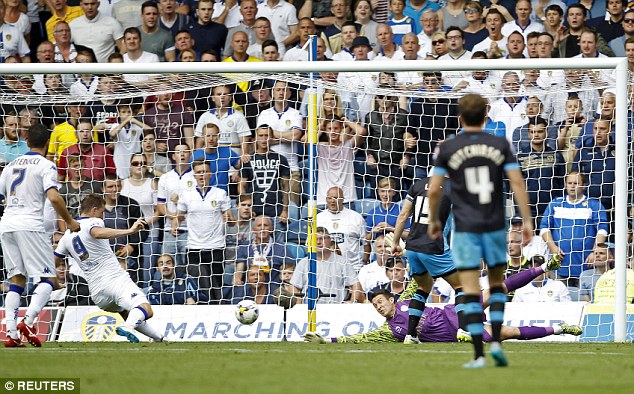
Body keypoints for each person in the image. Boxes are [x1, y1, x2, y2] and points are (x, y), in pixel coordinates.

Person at [428, 93, 533, 368]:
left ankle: (478, 354)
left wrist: (434, 221)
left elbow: (435, 188)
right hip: (494, 224)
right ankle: (496, 340)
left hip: (465, 227)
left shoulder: (449, 147)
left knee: (471, 290)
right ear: (485, 116)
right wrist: (528, 220)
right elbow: (517, 183)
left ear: (460, 117)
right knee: (497, 284)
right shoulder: (499, 143)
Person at [304, 265, 581, 344]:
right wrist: (329, 341)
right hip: (459, 334)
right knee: (509, 333)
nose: (378, 307)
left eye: (379, 302)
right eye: (374, 306)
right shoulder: (389, 331)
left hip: (455, 312)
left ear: (390, 298)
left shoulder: (409, 297)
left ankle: (543, 267)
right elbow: (360, 338)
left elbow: (420, 271)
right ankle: (559, 329)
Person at [1, 124, 80, 347]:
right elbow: (54, 198)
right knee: (50, 279)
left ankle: (11, 333)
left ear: (26, 142)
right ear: (48, 143)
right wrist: (70, 221)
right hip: (30, 225)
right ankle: (27, 320)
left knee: (16, 281)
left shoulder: (11, 165)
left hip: (7, 224)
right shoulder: (47, 165)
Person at [54, 194, 165, 343]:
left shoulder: (66, 236)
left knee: (127, 312)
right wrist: (129, 231)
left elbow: (55, 259)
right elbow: (96, 233)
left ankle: (159, 338)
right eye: (102, 211)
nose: (103, 216)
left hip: (98, 294)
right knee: (145, 308)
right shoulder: (94, 222)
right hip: (114, 280)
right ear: (94, 210)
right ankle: (127, 328)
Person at [391, 174, 465, 344]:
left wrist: (395, 242)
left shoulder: (417, 184)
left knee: (424, 287)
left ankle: (410, 335)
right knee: (461, 285)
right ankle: (464, 329)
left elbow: (403, 215)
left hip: (412, 247)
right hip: (433, 247)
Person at [172, 160, 231, 304]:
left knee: (216, 285)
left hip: (216, 246)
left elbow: (231, 219)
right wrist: (175, 224)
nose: (201, 175)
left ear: (210, 174)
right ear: (194, 176)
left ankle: (217, 312)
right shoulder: (186, 195)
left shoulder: (220, 193)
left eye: (204, 171)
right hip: (194, 247)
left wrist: (229, 218)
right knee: (197, 285)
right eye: (198, 172)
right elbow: (179, 216)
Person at [540, 171, 608, 288]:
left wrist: (594, 251)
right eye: (569, 183)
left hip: (586, 267)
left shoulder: (594, 205)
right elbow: (544, 228)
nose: (572, 186)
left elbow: (602, 229)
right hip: (560, 265)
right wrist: (553, 247)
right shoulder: (555, 203)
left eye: (576, 183)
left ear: (583, 185)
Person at [291, 227, 364, 304]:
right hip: (310, 310)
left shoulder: (342, 261)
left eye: (322, 238)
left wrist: (352, 302)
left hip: (336, 310)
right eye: (315, 239)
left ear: (329, 240)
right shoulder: (303, 263)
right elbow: (294, 286)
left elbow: (356, 284)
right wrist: (298, 307)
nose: (318, 242)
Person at [155, 143, 195, 268]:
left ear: (190, 155)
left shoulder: (196, 177)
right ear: (173, 156)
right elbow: (160, 205)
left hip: (191, 230)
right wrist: (174, 217)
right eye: (178, 152)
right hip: (169, 231)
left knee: (188, 268)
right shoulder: (165, 178)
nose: (182, 154)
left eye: (185, 151)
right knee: (168, 268)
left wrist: (179, 203)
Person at [317, 186, 367, 272]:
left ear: (342, 199)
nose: (332, 201)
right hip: (326, 269)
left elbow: (366, 244)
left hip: (353, 268)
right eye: (330, 198)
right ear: (326, 200)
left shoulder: (356, 217)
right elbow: (311, 245)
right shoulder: (318, 218)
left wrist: (364, 263)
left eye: (336, 198)